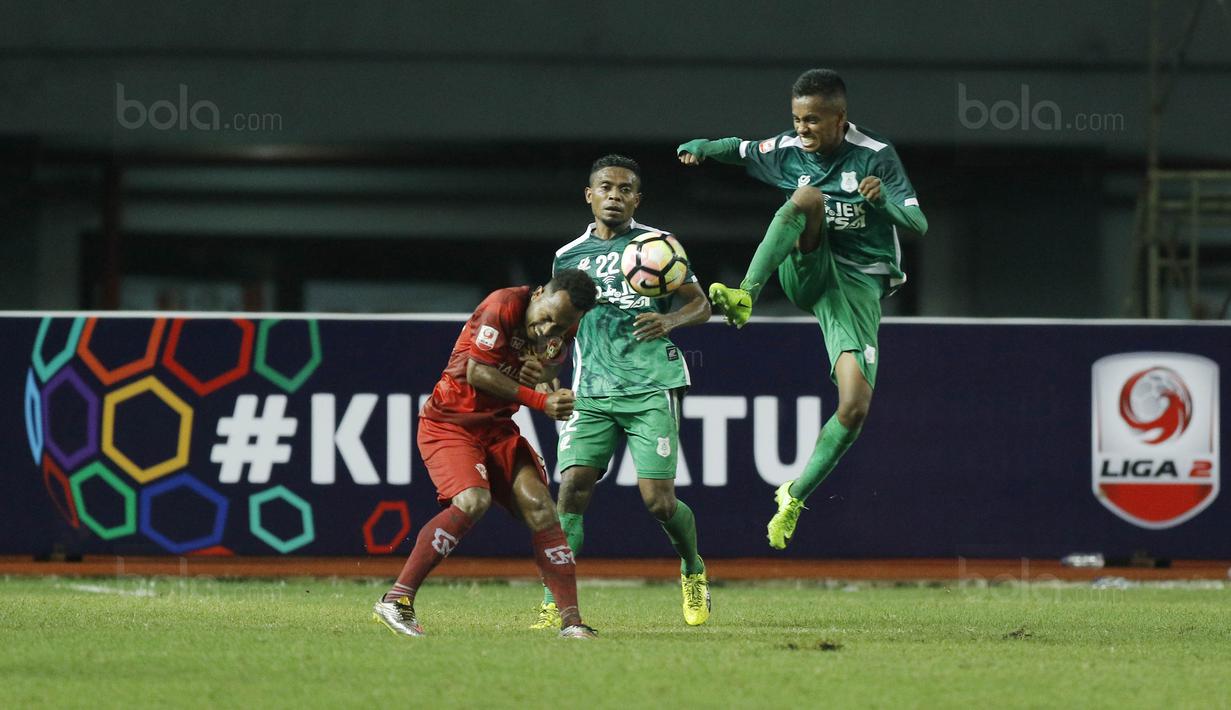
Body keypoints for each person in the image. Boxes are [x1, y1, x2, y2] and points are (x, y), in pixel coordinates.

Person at [677, 68, 928, 550]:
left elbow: (917, 220)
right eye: (796, 118)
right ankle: (746, 293)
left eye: (812, 120)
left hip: (855, 286)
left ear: (840, 118)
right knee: (807, 196)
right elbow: (743, 148)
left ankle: (793, 496)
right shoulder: (792, 151)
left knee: (854, 407)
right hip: (807, 265)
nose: (802, 129)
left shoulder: (876, 156)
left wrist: (883, 205)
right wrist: (704, 147)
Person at [532, 154, 713, 630]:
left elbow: (701, 305)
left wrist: (670, 319)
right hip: (591, 388)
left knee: (658, 501)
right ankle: (557, 604)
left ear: (637, 198)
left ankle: (692, 567)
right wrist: (550, 367)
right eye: (606, 187)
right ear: (589, 195)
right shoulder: (568, 256)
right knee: (570, 491)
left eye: (625, 189)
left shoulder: (660, 247)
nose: (615, 196)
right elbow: (557, 321)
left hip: (651, 385)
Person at [372, 269, 600, 639]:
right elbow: (478, 372)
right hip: (451, 423)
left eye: (560, 326)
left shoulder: (563, 327)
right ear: (539, 293)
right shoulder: (503, 304)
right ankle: (396, 600)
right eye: (545, 318)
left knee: (542, 507)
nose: (548, 330)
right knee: (473, 500)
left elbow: (546, 366)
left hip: (497, 430)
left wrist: (542, 376)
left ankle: (572, 623)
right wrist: (542, 400)